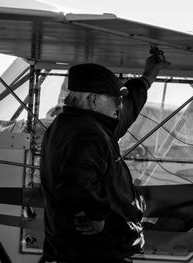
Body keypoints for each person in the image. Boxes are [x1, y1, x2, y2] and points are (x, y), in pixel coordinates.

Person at [39, 54, 170, 262]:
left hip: (71, 248)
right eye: (116, 99)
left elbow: (128, 109)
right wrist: (96, 215)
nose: (119, 106)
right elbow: (78, 179)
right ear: (92, 100)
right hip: (95, 252)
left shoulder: (70, 124)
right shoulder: (89, 134)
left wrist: (148, 77)